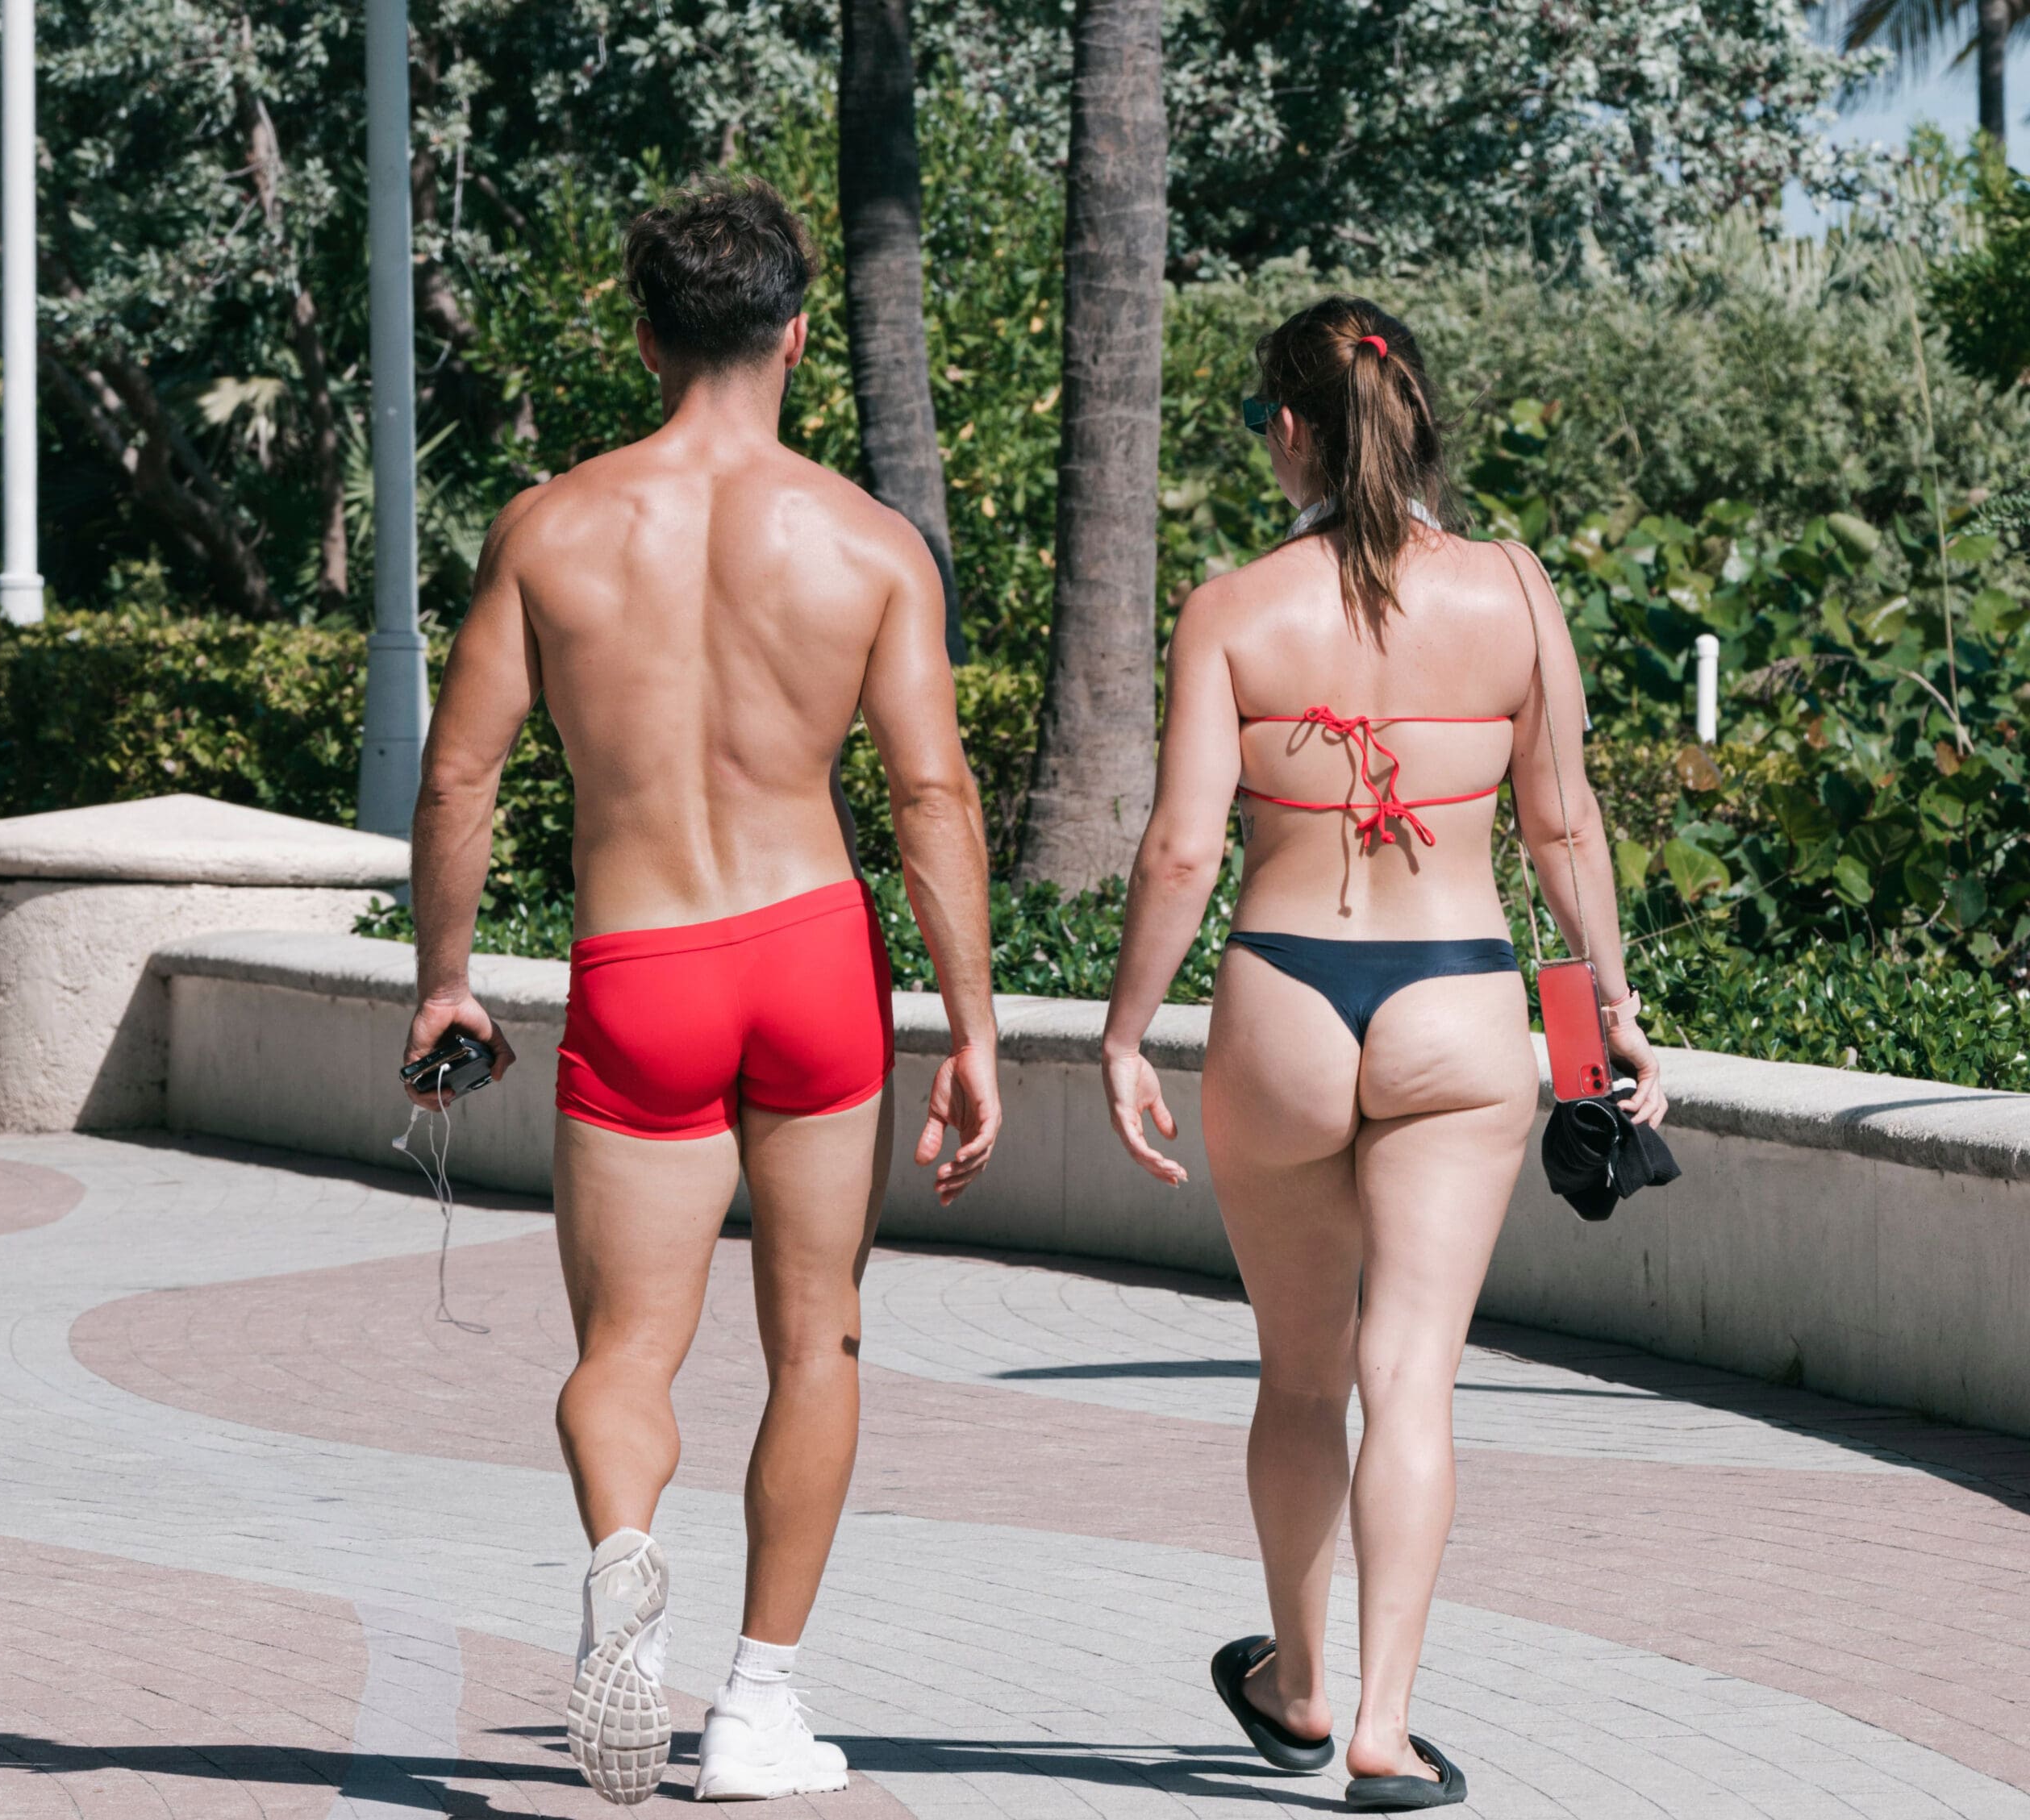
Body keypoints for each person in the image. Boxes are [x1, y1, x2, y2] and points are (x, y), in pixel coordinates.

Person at [402, 175, 1002, 1805]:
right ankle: (755, 1709)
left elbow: (460, 783)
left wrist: (444, 982)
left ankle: (618, 1562)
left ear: (647, 334)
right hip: (811, 958)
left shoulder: (552, 525)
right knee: (819, 1343)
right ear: (798, 333)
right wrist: (972, 1029)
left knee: (622, 1353)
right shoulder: (871, 544)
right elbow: (932, 801)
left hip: (642, 961)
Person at [1098, 296, 1663, 1810]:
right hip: (1460, 1000)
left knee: (1301, 1374)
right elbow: (1562, 828)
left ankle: (1293, 1674)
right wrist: (1605, 1016)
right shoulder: (1513, 592)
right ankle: (1384, 1729)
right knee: (1411, 1378)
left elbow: (1176, 852)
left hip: (1284, 993)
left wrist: (1124, 1031)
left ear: (1288, 431)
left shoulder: (1230, 608)